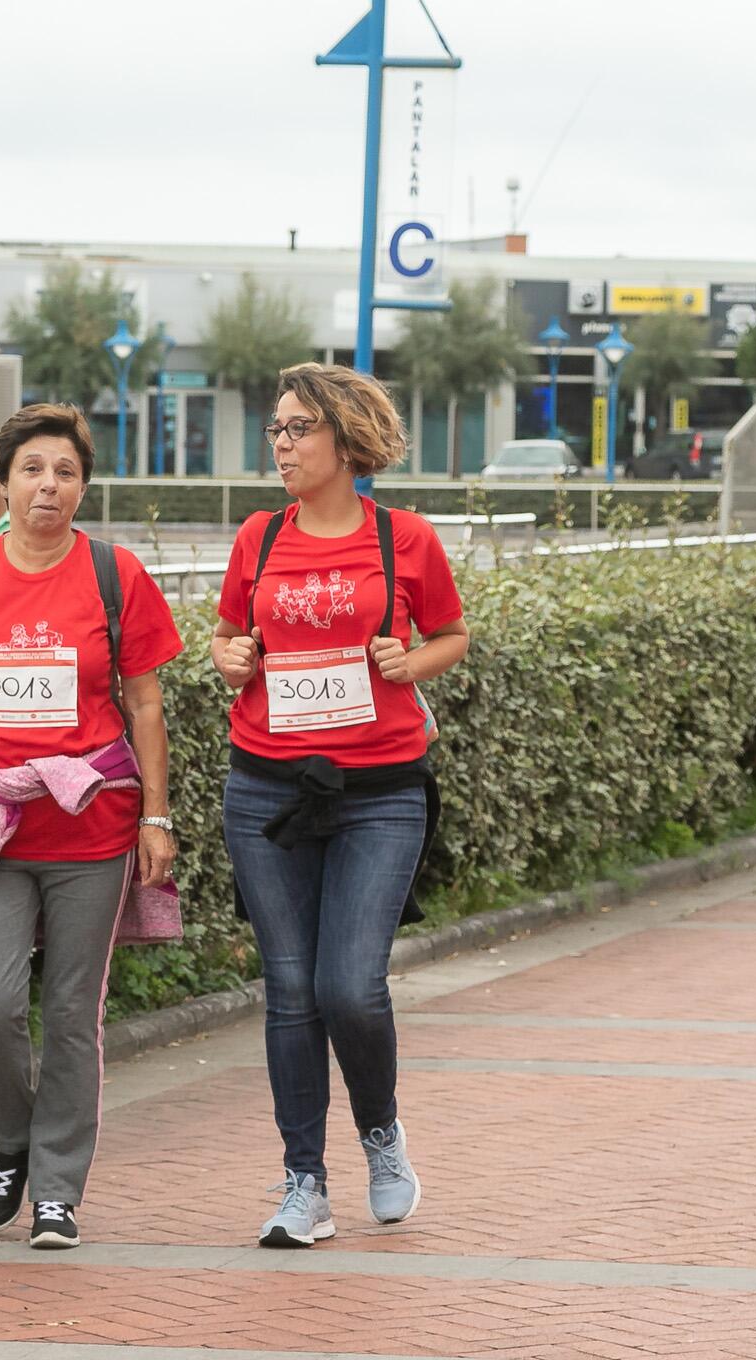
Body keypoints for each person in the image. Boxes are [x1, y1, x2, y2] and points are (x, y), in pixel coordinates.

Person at [0, 403, 182, 1251]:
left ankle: (56, 1188)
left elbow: (145, 702)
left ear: (83, 486)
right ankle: (10, 1141)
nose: (46, 486)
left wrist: (156, 817)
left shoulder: (114, 574)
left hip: (92, 828)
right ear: (3, 479)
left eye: (64, 471)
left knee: (70, 1015)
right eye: (31, 470)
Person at [211, 363, 469, 1248]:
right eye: (274, 430)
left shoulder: (405, 539)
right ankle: (304, 1185)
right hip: (266, 790)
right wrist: (229, 659)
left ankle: (382, 1137)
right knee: (289, 991)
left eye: (296, 430)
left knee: (348, 988)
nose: (279, 446)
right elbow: (224, 634)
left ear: (345, 441)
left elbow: (452, 635)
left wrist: (413, 665)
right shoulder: (258, 537)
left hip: (379, 791)